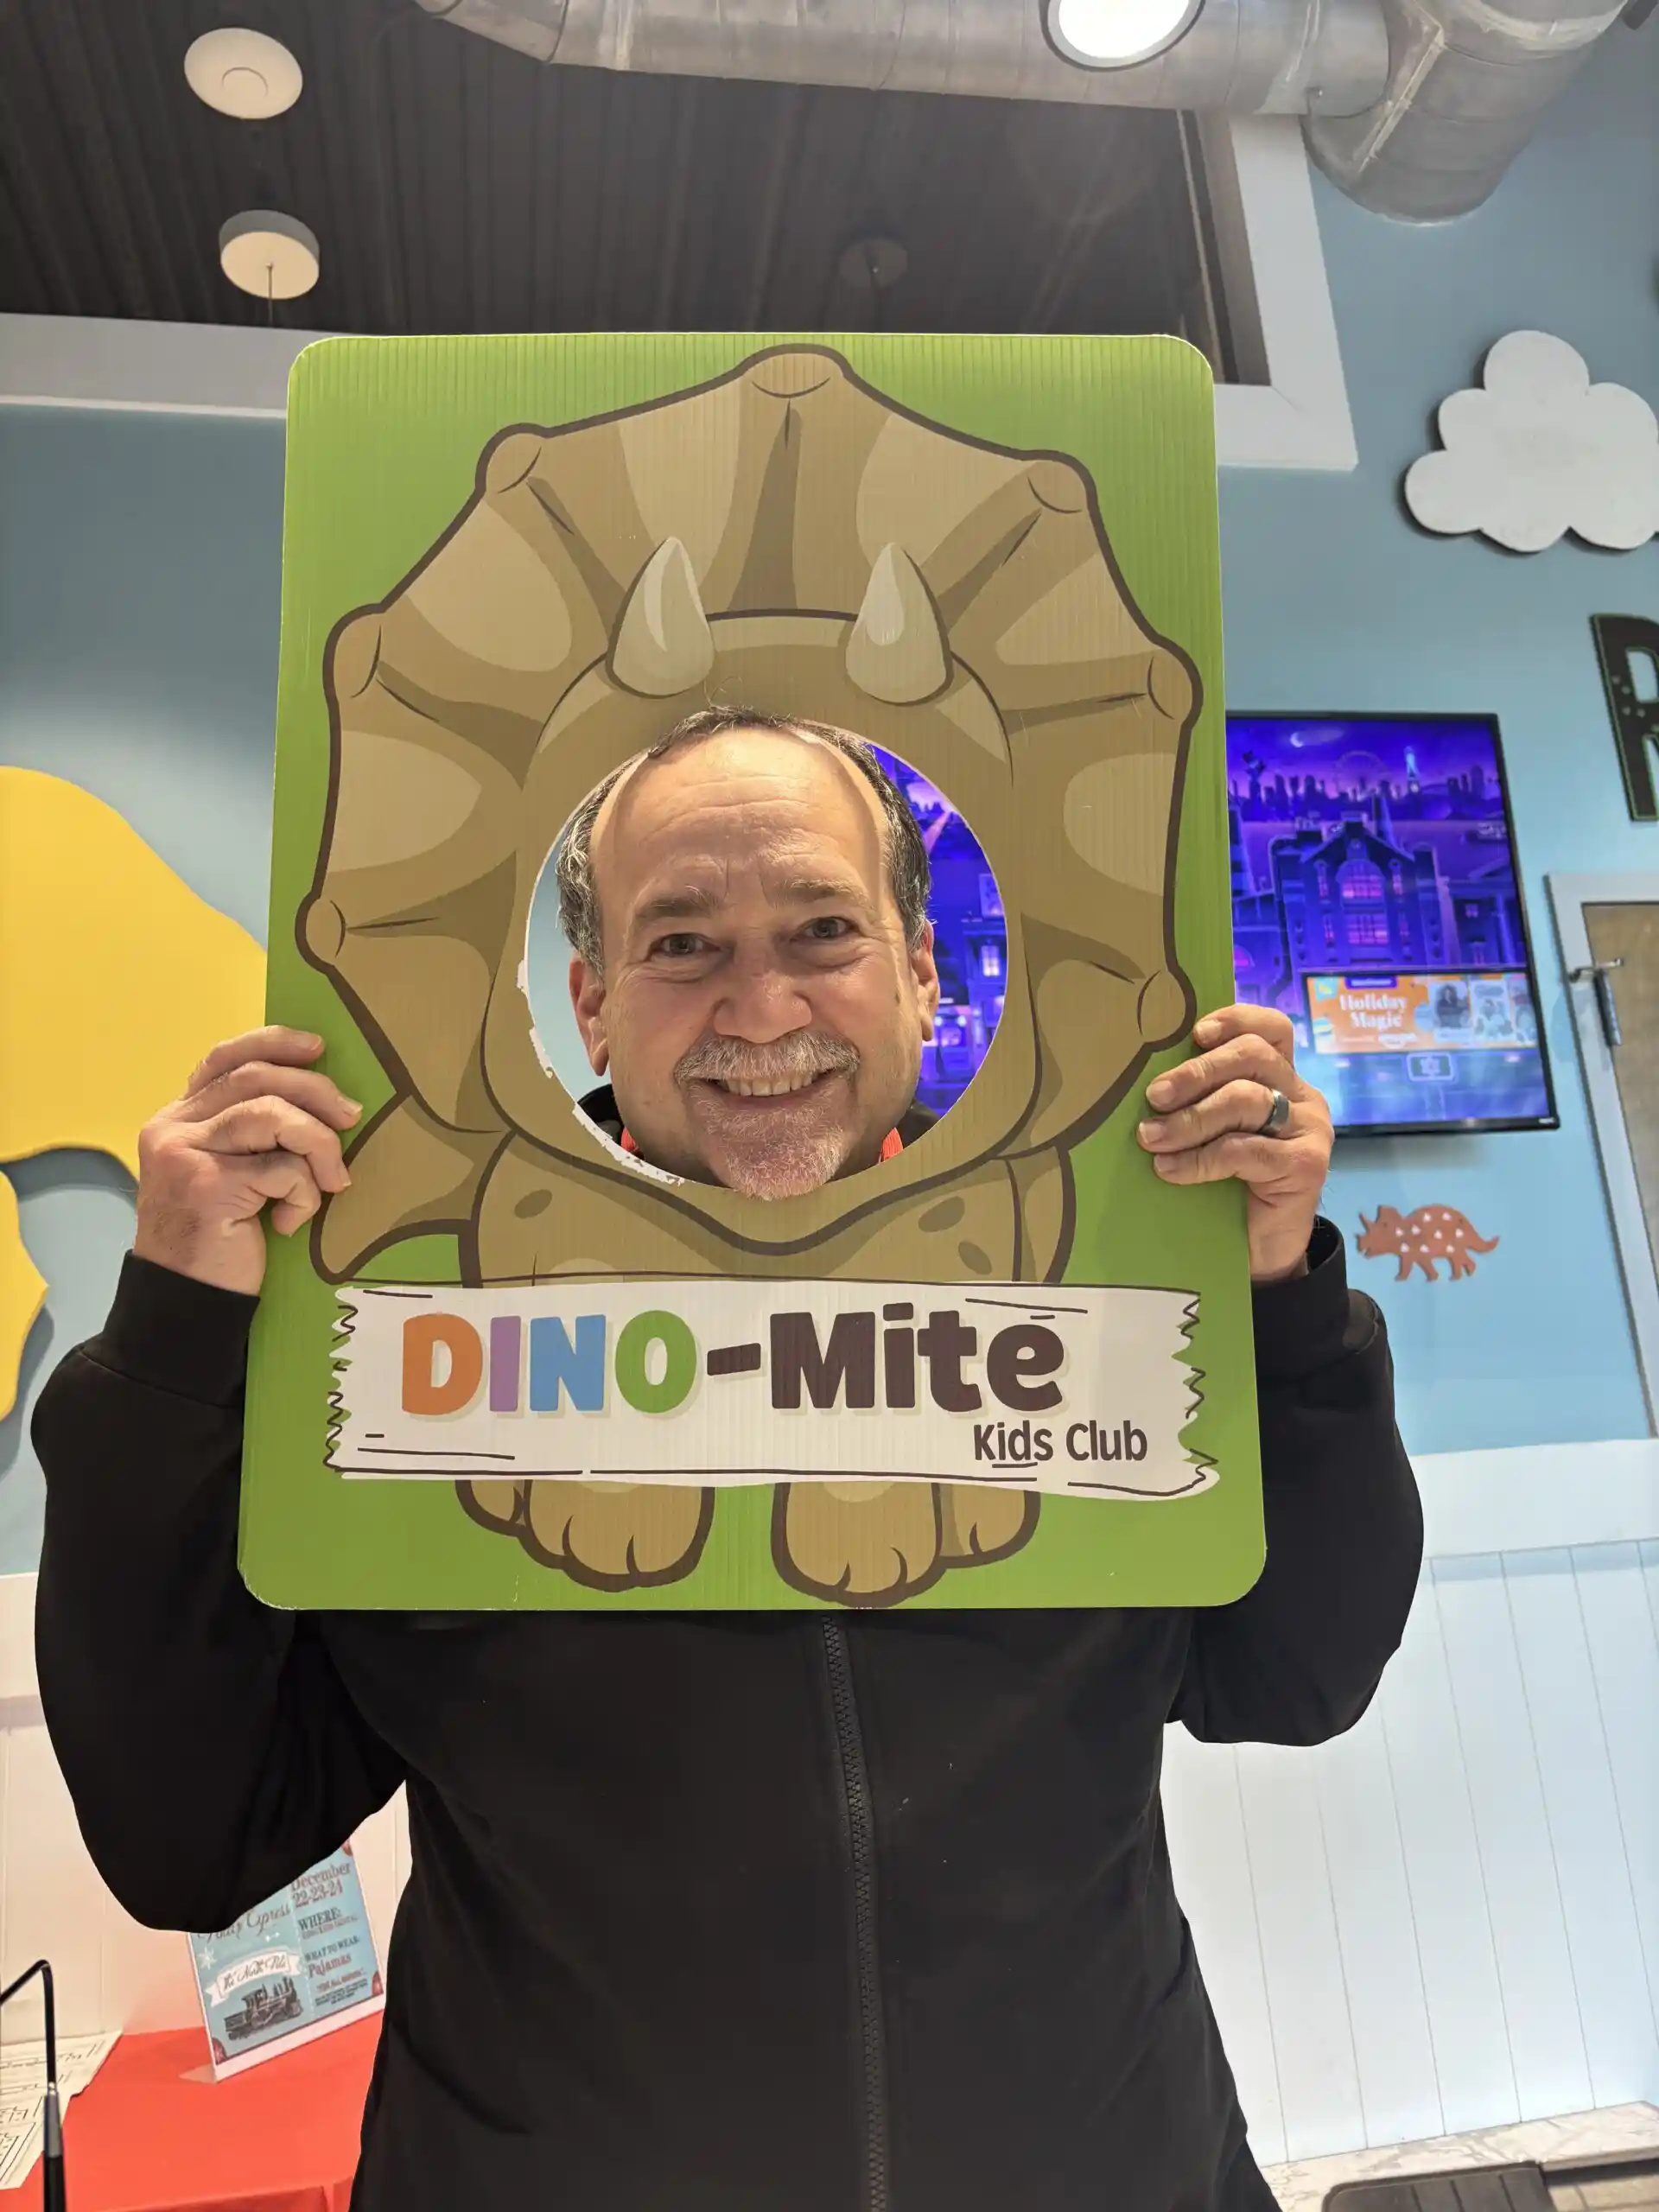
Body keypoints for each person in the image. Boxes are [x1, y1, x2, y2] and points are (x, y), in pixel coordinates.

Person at [32, 709, 1421, 2211]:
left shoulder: (1087, 1286)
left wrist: (1283, 1297)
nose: (762, 1011)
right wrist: (174, 1338)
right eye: (681, 944)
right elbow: (195, 1836)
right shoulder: (422, 1314)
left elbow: (1296, 1676)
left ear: (919, 970)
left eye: (823, 928)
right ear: (593, 1003)